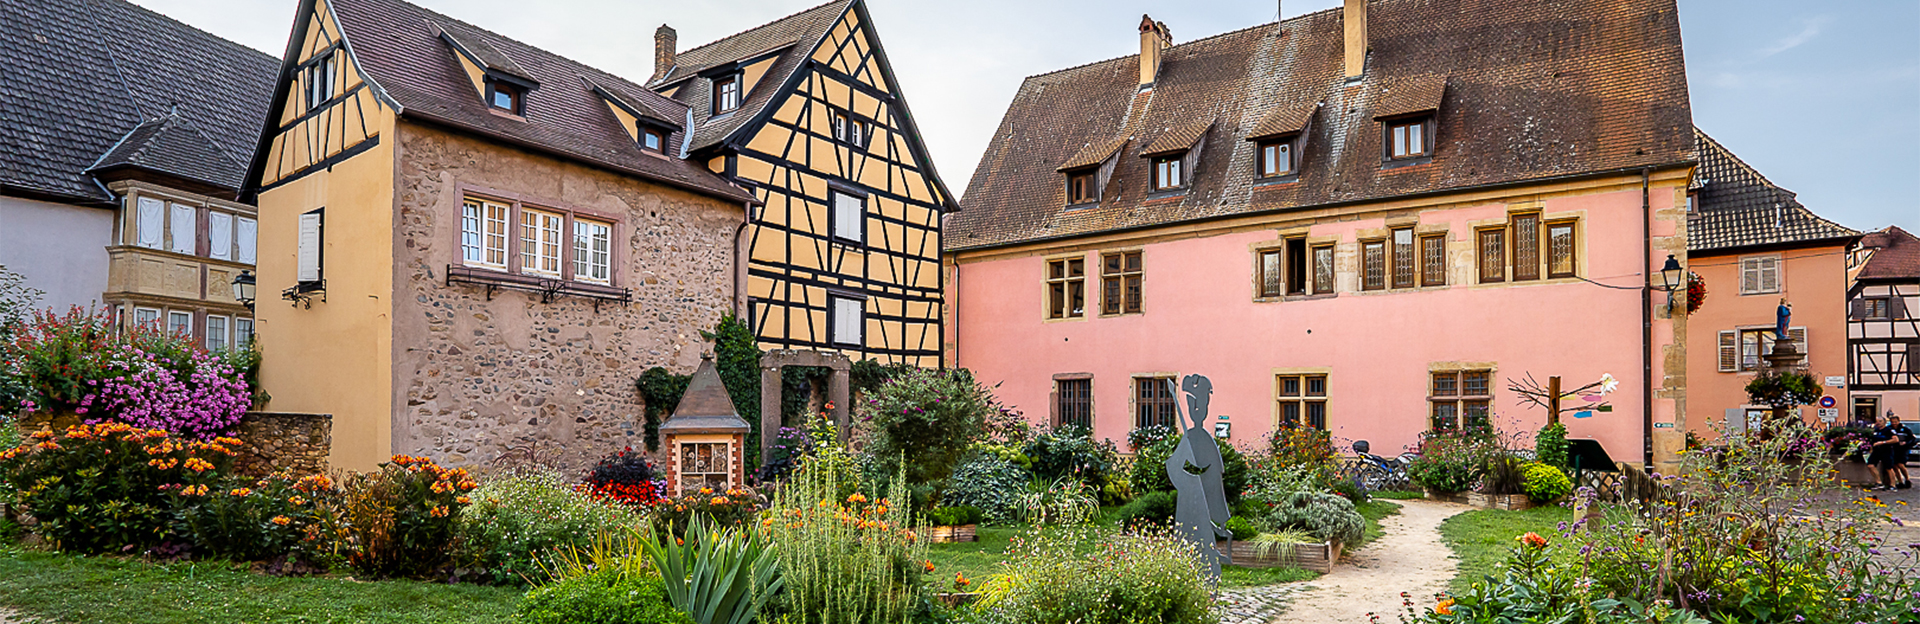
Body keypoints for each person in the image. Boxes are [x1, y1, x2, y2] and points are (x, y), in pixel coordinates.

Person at [1869, 415, 1902, 491]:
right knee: (1870, 465)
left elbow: (1896, 440)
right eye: (1877, 421)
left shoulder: (1889, 430)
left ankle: (1893, 485)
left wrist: (1883, 442)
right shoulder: (1875, 430)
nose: (1878, 423)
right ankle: (1879, 483)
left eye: (1880, 421)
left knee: (1889, 468)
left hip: (1886, 450)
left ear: (1884, 422)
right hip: (1876, 451)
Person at [1891, 411, 1914, 490]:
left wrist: (1906, 443)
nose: (1894, 423)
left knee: (1901, 465)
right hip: (1894, 449)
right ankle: (1900, 482)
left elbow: (1912, 438)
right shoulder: (1890, 429)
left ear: (1898, 421)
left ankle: (1907, 480)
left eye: (1895, 422)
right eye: (1892, 422)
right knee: (1895, 466)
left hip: (1903, 450)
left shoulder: (1905, 429)